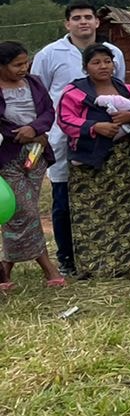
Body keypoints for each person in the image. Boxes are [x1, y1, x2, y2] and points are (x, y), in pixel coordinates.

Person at [33, 2, 128, 275]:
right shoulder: (50, 54)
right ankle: (67, 258)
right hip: (62, 135)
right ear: (67, 24)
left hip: (104, 135)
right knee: (63, 198)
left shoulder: (114, 53)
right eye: (77, 18)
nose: (83, 22)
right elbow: (39, 94)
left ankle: (101, 254)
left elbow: (117, 91)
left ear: (97, 22)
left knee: (102, 195)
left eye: (88, 17)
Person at [55, 43, 130, 278]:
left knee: (124, 208)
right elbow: (65, 120)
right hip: (90, 161)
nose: (103, 66)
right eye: (96, 62)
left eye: (107, 61)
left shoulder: (128, 90)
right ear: (86, 67)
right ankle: (93, 266)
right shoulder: (74, 92)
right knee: (91, 211)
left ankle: (126, 264)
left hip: (123, 160)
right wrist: (94, 126)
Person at [0, 42, 66, 290]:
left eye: (25, 63)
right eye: (17, 65)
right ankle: (48, 267)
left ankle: (4, 269)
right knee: (23, 210)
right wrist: (20, 134)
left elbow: (49, 112)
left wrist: (36, 129)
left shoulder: (34, 83)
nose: (23, 68)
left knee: (19, 214)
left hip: (37, 155)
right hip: (7, 155)